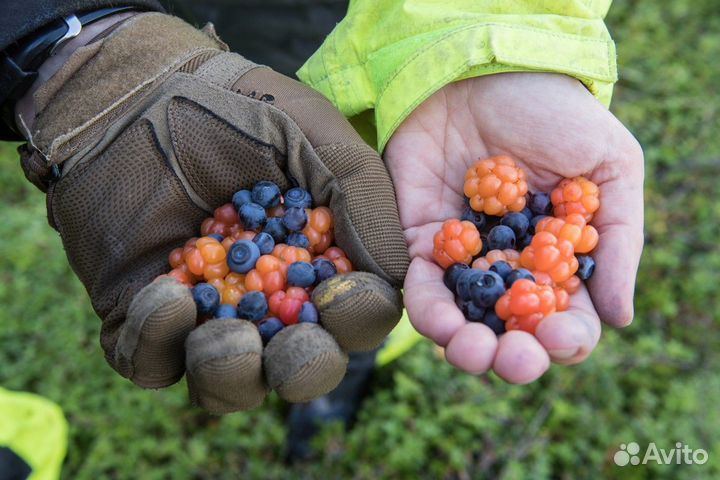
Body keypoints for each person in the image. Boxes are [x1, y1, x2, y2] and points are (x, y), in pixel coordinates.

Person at [0, 0, 643, 463]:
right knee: (330, 200)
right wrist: (73, 41)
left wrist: (486, 34)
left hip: (326, 25)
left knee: (377, 251)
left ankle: (358, 363)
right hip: (170, 15)